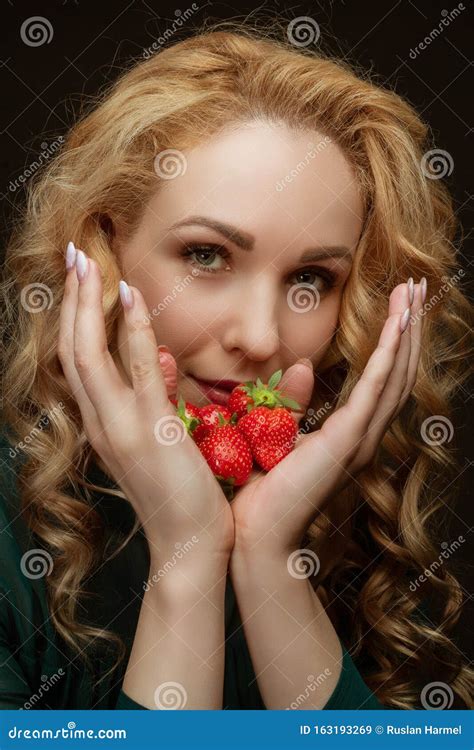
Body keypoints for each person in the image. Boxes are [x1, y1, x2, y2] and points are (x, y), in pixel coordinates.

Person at [0, 19, 472, 711]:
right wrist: (188, 557)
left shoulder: (359, 522)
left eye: (312, 277)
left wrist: (271, 560)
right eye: (206, 257)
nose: (260, 338)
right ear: (102, 250)